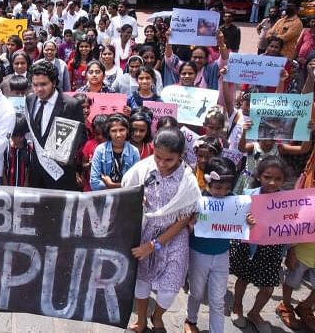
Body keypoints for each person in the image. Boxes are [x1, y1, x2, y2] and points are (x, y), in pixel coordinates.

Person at [121, 127, 201, 333]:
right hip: (145, 230)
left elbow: (183, 220)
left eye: (169, 160)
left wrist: (154, 245)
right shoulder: (143, 169)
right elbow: (128, 191)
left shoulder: (188, 181)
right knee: (142, 282)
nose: (162, 164)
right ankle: (141, 320)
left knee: (170, 288)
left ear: (180, 156)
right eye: (158, 157)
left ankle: (157, 317)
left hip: (174, 237)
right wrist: (137, 198)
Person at [184, 157, 256, 333]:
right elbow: (187, 229)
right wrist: (191, 224)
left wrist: (248, 222)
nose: (222, 192)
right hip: (198, 253)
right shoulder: (198, 200)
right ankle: (190, 320)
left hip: (222, 255)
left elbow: (241, 227)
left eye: (227, 188)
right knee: (196, 292)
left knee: (218, 299)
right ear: (208, 182)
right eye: (217, 187)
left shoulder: (236, 203)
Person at [229, 156, 290, 333]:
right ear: (259, 176)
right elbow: (235, 220)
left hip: (272, 249)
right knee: (243, 278)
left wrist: (290, 251)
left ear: (284, 180)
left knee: (268, 286)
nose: (272, 182)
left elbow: (292, 226)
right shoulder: (249, 196)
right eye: (267, 177)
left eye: (278, 179)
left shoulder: (288, 200)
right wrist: (245, 220)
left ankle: (255, 313)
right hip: (249, 247)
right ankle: (237, 307)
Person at [26, 61, 86, 190]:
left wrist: (67, 153)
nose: (39, 89)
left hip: (60, 170)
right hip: (37, 169)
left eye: (43, 84)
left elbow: (82, 136)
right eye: (35, 85)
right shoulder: (30, 100)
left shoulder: (71, 105)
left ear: (54, 83)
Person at [90, 114, 139, 190]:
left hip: (126, 197)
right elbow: (94, 182)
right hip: (104, 197)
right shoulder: (100, 150)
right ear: (108, 132)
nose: (118, 135)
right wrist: (121, 186)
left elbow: (135, 183)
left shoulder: (134, 151)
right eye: (114, 131)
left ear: (127, 131)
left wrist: (112, 185)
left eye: (122, 130)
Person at [80, 113, 108, 191]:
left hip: (109, 187)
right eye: (97, 134)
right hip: (90, 187)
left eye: (104, 134)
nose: (100, 137)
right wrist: (90, 164)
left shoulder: (114, 146)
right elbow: (83, 164)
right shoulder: (89, 144)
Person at [2, 114, 32, 187]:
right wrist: (6, 185)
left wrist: (26, 183)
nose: (20, 139)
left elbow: (29, 168)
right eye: (14, 135)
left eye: (22, 135)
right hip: (8, 186)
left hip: (22, 188)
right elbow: (2, 169)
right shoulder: (6, 148)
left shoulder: (29, 149)